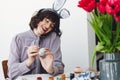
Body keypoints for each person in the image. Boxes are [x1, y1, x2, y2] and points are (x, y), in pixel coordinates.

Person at [8, 8, 64, 80]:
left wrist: (51, 69)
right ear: (38, 19)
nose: (47, 27)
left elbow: (60, 67)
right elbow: (11, 73)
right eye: (46, 21)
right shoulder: (18, 39)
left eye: (51, 26)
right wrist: (29, 61)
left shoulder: (53, 38)